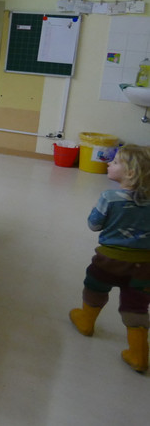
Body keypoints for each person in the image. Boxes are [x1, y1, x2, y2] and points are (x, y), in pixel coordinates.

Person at [69, 144, 150, 373]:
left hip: (108, 261)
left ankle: (86, 321)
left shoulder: (109, 197)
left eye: (114, 162)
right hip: (145, 266)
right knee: (137, 305)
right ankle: (139, 354)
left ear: (130, 173)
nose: (108, 164)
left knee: (95, 287)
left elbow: (94, 225)